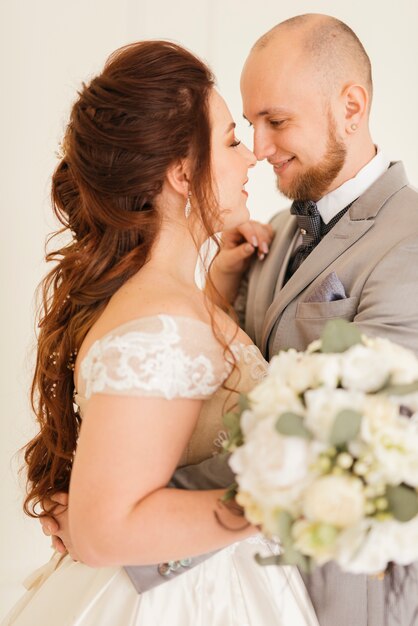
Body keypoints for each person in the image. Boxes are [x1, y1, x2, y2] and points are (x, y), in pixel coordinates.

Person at [2, 40, 319, 626]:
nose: (250, 157)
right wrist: (285, 504)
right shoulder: (162, 323)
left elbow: (186, 418)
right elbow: (102, 531)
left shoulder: (172, 299)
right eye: (229, 139)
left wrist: (223, 282)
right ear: (180, 172)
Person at [235, 13, 418, 626]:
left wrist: (128, 518)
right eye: (250, 124)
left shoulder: (410, 241)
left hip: (348, 597)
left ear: (351, 106)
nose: (259, 149)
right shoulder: (273, 235)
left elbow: (339, 440)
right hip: (252, 589)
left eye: (276, 121)